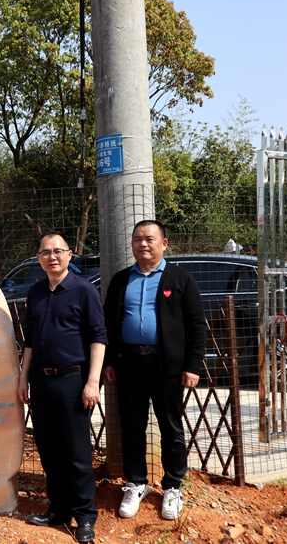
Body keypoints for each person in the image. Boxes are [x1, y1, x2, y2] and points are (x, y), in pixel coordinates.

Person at [103, 220, 207, 520]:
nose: (143, 244)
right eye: (137, 239)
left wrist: (192, 365)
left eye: (149, 238)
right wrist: (109, 361)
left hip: (167, 366)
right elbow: (108, 324)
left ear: (164, 243)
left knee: (171, 427)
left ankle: (173, 486)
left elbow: (197, 326)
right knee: (132, 426)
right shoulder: (121, 280)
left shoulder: (180, 278)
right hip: (129, 363)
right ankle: (136, 483)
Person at [17, 232, 106, 544]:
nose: (52, 256)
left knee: (77, 452)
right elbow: (29, 340)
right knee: (49, 448)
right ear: (38, 258)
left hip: (73, 380)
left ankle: (85, 516)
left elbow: (98, 336)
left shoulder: (84, 291)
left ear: (69, 255)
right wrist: (23, 378)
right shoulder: (36, 292)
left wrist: (92, 382)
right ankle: (58, 509)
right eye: (45, 252)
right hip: (40, 381)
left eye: (58, 251)